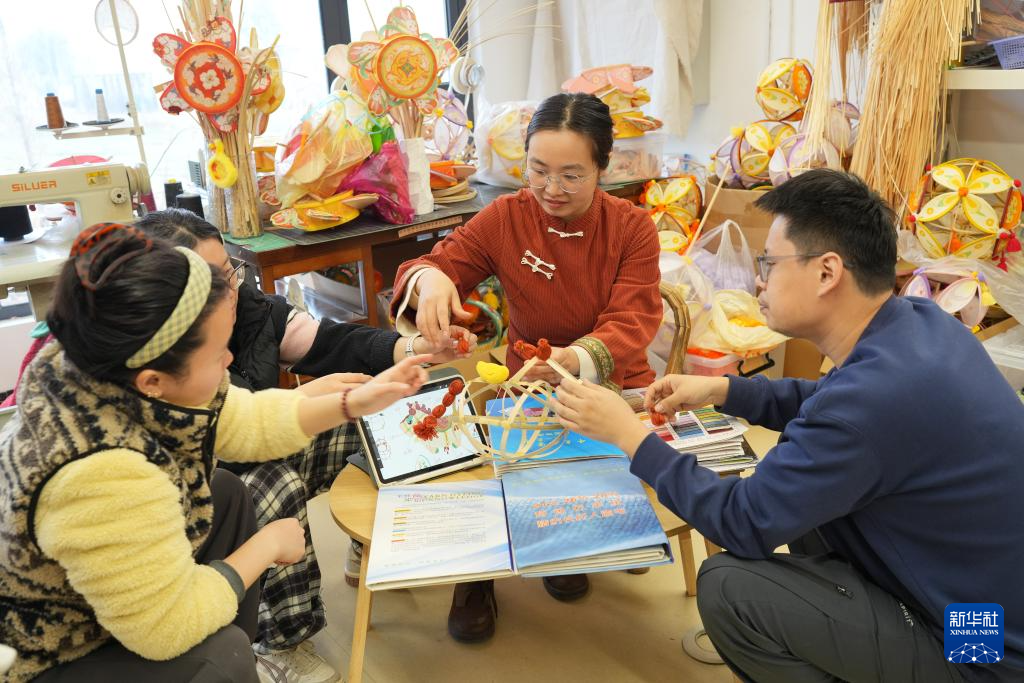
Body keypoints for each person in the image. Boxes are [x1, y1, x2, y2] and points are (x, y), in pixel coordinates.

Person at [550, 169, 1024, 682]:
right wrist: (724, 390)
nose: (759, 280)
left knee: (731, 588)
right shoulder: (918, 324)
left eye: (770, 264)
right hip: (982, 599)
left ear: (827, 272)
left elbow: (743, 522)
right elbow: (831, 404)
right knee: (810, 510)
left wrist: (630, 436)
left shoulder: (871, 400)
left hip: (978, 644)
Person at [0, 223, 429, 682]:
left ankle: (231, 637)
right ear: (153, 381)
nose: (229, 361)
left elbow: (246, 419)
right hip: (56, 651)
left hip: (112, 593)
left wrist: (351, 402)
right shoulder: (101, 473)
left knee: (226, 493)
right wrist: (266, 546)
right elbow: (163, 629)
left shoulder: (106, 364)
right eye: (217, 354)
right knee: (222, 656)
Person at [135, 208, 475, 682]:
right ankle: (282, 642)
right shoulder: (142, 385)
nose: (228, 292)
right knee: (271, 484)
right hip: (204, 501)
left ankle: (374, 542)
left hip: (249, 451)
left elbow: (324, 350)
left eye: (229, 273)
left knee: (387, 415)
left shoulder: (247, 308)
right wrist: (266, 546)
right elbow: (224, 440)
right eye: (211, 283)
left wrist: (412, 351)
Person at [391, 92, 662, 642]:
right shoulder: (507, 217)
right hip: (523, 381)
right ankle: (476, 576)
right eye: (537, 170)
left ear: (603, 167)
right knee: (480, 448)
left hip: (608, 379)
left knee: (581, 473)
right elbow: (431, 263)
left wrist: (573, 360)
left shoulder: (632, 228)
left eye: (571, 175)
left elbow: (632, 319)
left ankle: (563, 544)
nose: (551, 189)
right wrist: (430, 279)